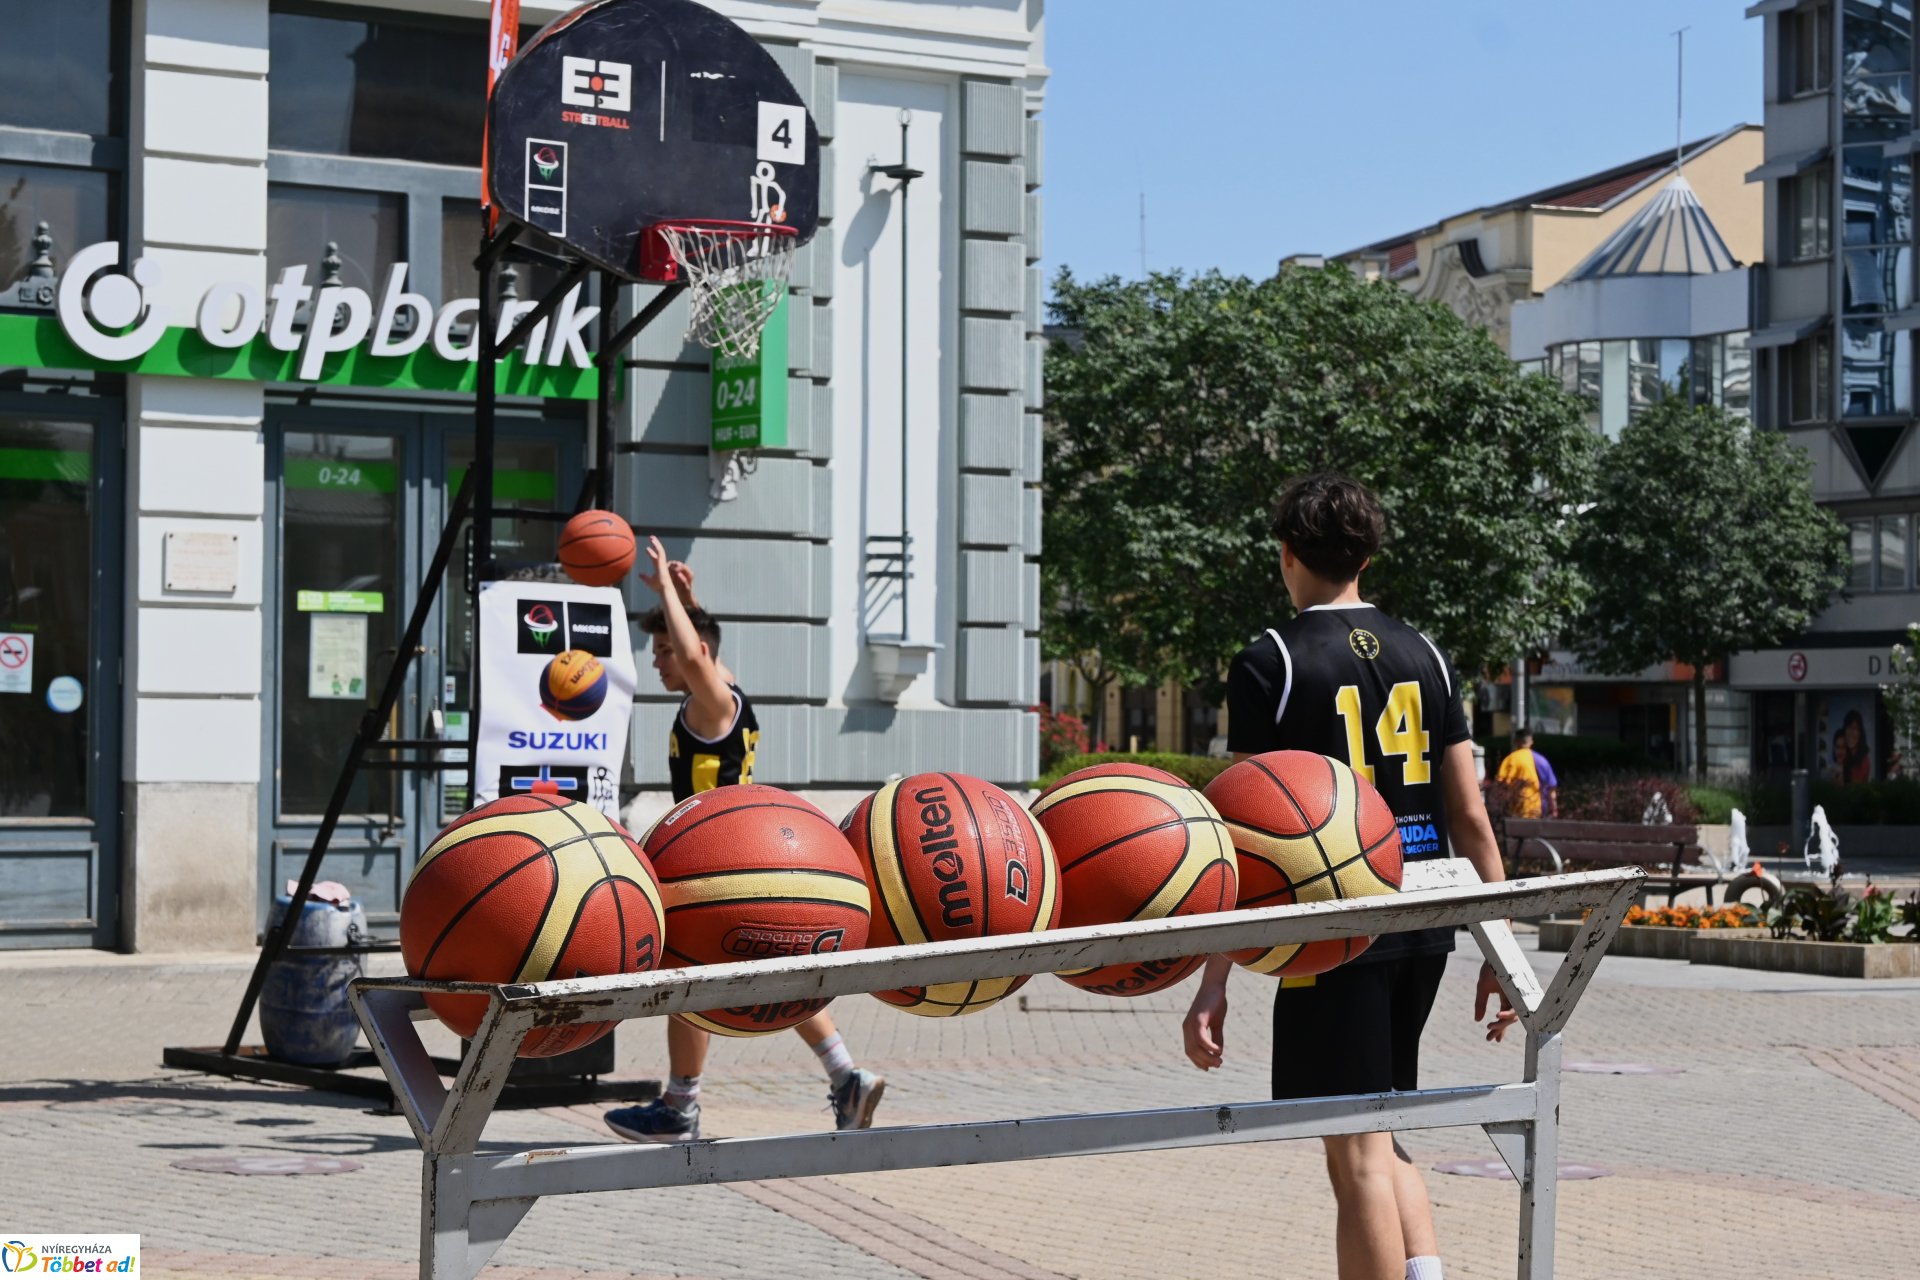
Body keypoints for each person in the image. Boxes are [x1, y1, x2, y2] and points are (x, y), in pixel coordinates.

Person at [1181, 474, 1515, 1280]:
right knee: (1383, 1115)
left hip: (1331, 920)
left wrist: (1213, 976)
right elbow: (1470, 814)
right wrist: (1503, 945)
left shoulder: (1272, 661)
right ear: (1367, 556)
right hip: (1427, 912)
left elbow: (1243, 832)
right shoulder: (1425, 651)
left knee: (1354, 1145)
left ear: (1288, 556)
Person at [605, 537, 885, 1142]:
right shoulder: (724, 691)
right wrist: (683, 597)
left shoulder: (709, 704)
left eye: (663, 652)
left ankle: (680, 1107)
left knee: (688, 972)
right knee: (769, 979)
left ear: (693, 655)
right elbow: (705, 647)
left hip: (719, 861)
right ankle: (845, 1076)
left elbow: (695, 648)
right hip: (739, 853)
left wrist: (673, 603)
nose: (658, 661)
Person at [1495, 727, 1559, 818]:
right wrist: (1554, 809)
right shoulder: (1542, 761)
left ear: (1515, 741)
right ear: (1531, 741)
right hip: (1537, 810)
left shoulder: (1510, 760)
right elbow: (1551, 789)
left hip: (1515, 811)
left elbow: (1501, 786)